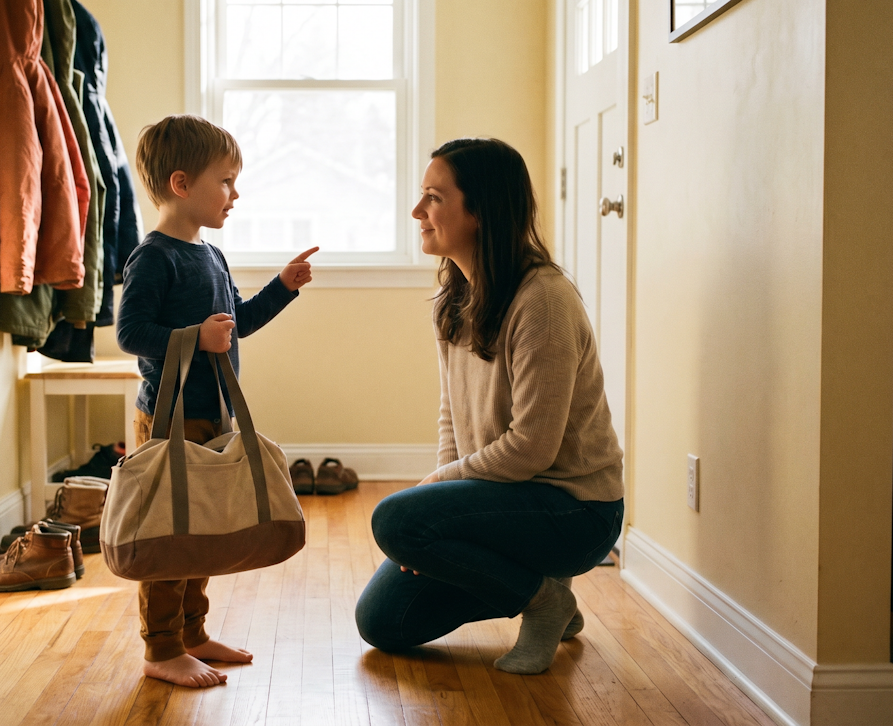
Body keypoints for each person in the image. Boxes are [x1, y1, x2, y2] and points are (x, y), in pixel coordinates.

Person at [354, 138, 625, 675]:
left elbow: (531, 448)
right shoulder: (453, 298)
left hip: (575, 510)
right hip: (502, 500)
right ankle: (547, 591)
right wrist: (442, 501)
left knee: (395, 520)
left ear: (480, 211)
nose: (417, 211)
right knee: (382, 622)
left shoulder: (543, 300)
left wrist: (434, 496)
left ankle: (543, 604)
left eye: (434, 198)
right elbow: (451, 414)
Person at [116, 114, 318, 688]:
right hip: (168, 418)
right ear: (181, 185)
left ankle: (193, 633)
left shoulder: (211, 255)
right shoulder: (154, 257)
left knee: (198, 527)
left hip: (212, 415)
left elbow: (237, 323)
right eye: (225, 181)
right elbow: (130, 333)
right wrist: (193, 338)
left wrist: (282, 287)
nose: (235, 193)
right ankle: (161, 648)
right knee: (168, 535)